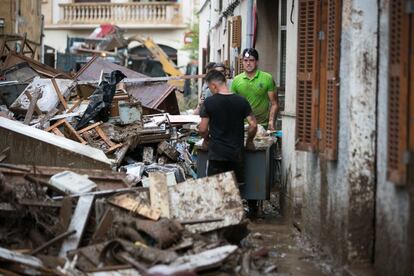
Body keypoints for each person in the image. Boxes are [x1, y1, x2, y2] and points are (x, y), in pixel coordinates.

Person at [199, 70, 257, 184]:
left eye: (209, 88)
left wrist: (206, 140)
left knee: (217, 190)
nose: (210, 90)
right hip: (236, 155)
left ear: (214, 86)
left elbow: (202, 129)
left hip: (217, 155)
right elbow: (253, 125)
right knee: (235, 191)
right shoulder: (242, 101)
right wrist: (249, 141)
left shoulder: (208, 102)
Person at [231, 48, 278, 130]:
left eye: (251, 60)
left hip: (263, 125)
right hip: (243, 126)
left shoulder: (267, 78)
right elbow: (232, 105)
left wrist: (271, 122)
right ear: (242, 62)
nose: (248, 63)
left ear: (257, 61)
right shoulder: (236, 80)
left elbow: (274, 103)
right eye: (245, 60)